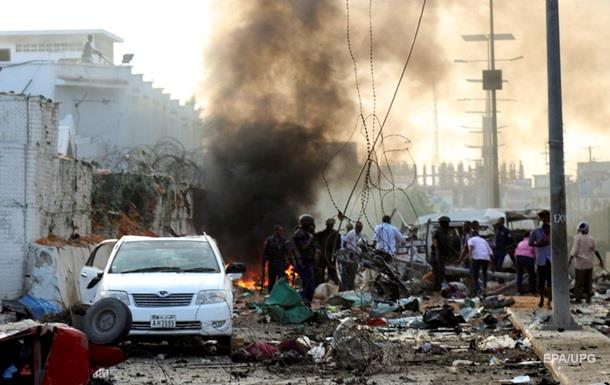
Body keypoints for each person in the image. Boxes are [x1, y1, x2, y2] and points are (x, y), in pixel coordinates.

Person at [570, 222, 605, 304]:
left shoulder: (577, 238)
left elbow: (574, 251)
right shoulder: (591, 238)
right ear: (587, 229)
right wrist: (601, 260)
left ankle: (578, 299)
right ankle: (588, 300)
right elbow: (596, 250)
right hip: (589, 264)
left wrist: (570, 259)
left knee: (579, 283)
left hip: (580, 265)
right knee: (588, 282)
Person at [292, 214, 317, 305]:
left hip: (308, 262)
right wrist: (310, 239)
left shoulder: (305, 233)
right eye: (310, 224)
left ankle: (306, 304)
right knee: (310, 286)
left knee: (307, 284)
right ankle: (297, 297)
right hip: (303, 262)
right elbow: (303, 247)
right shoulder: (300, 233)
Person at [530, 210, 552, 308]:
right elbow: (530, 243)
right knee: (541, 280)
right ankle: (542, 299)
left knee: (550, 280)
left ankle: (549, 300)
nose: (546, 220)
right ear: (541, 219)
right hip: (541, 259)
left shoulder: (553, 230)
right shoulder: (536, 231)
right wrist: (538, 244)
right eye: (544, 218)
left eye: (547, 218)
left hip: (551, 258)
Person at [431, 216, 459, 291]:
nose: (448, 225)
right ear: (442, 224)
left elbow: (448, 245)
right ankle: (436, 289)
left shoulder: (446, 233)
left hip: (441, 256)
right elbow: (435, 245)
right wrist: (437, 257)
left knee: (441, 273)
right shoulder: (437, 233)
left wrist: (455, 253)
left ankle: (439, 288)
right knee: (437, 273)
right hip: (437, 255)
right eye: (446, 223)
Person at [261, 225, 290, 293]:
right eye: (278, 231)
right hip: (272, 262)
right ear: (275, 231)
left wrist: (287, 262)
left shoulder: (284, 240)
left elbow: (287, 252)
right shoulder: (269, 240)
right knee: (272, 279)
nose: (279, 232)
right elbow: (265, 252)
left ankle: (280, 294)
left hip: (280, 262)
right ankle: (271, 293)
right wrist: (263, 264)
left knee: (281, 279)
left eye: (280, 231)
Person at [468, 223, 494, 295]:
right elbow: (491, 253)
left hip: (477, 258)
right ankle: (484, 287)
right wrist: (492, 265)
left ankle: (478, 290)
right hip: (486, 258)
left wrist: (470, 257)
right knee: (484, 273)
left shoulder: (471, 239)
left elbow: (471, 247)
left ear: (472, 234)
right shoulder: (484, 240)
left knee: (475, 274)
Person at [314, 218, 341, 286]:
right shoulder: (323, 233)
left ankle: (338, 286)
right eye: (328, 225)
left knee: (332, 272)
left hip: (331, 256)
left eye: (330, 225)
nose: (329, 226)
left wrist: (335, 254)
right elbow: (316, 239)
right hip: (323, 255)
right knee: (321, 272)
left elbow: (338, 246)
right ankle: (320, 286)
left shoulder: (336, 235)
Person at [341, 221, 364, 291]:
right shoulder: (351, 233)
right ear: (356, 227)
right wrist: (349, 251)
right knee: (346, 273)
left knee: (352, 274)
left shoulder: (360, 234)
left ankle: (351, 289)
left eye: (361, 228)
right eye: (359, 228)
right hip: (349, 255)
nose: (360, 229)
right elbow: (345, 244)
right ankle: (344, 289)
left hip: (356, 256)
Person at [515, 231, 537, 295]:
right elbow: (535, 253)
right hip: (528, 258)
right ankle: (533, 291)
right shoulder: (532, 242)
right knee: (532, 275)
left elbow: (515, 253)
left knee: (519, 275)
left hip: (518, 257)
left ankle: (519, 291)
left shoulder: (520, 243)